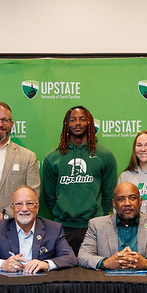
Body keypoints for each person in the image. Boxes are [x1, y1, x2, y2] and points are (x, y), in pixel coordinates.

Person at [42, 106, 117, 254]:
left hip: (94, 226)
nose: (78, 123)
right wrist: (61, 213)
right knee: (65, 266)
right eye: (73, 120)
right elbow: (49, 197)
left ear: (89, 123)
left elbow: (109, 195)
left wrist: (98, 216)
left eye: (82, 119)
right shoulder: (52, 158)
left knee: (93, 267)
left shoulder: (105, 156)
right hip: (63, 227)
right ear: (66, 124)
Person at [0, 186, 76, 273]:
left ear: (37, 208)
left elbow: (70, 257)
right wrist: (2, 264)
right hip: (9, 287)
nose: (24, 209)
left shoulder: (53, 228)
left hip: (40, 286)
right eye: (19, 204)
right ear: (12, 208)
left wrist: (46, 264)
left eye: (29, 203)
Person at [78, 182, 147, 270]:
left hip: (146, 282)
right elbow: (83, 256)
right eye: (121, 199)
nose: (127, 203)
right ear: (114, 203)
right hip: (110, 283)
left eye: (132, 198)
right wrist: (106, 263)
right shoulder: (97, 225)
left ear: (140, 201)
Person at [118, 130, 147, 212]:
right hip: (133, 220)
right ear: (134, 149)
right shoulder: (125, 176)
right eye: (139, 145)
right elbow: (118, 206)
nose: (143, 149)